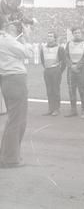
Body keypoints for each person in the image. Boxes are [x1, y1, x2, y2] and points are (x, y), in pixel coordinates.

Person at [0, 16, 33, 168]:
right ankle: (10, 159)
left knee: (15, 120)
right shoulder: (5, 39)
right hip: (15, 80)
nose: (12, 24)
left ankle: (9, 155)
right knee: (17, 121)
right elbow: (28, 52)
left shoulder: (5, 39)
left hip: (8, 80)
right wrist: (27, 36)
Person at [65, 27, 84, 119]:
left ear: (81, 33)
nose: (77, 34)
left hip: (81, 69)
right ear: (73, 34)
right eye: (75, 33)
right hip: (71, 69)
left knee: (82, 90)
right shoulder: (69, 43)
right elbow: (66, 56)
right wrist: (71, 65)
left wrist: (77, 66)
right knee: (71, 90)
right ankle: (73, 110)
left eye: (78, 32)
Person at [40, 31, 66, 116]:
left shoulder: (60, 48)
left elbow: (64, 62)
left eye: (51, 36)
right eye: (48, 36)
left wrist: (59, 71)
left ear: (55, 38)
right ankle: (50, 108)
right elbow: (43, 60)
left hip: (56, 70)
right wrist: (47, 67)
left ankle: (56, 109)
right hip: (47, 70)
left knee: (55, 90)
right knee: (49, 90)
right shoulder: (43, 48)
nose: (49, 38)